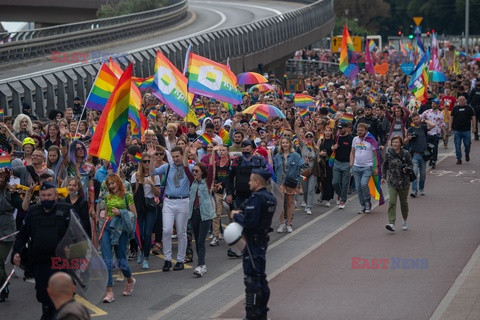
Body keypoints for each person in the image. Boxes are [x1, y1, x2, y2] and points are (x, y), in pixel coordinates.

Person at [12, 182, 74, 320]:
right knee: (45, 300)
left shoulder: (67, 211)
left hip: (61, 264)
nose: (46, 198)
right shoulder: (33, 212)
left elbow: (80, 235)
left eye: (49, 195)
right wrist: (16, 253)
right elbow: (22, 236)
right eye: (43, 195)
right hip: (40, 264)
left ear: (56, 196)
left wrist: (73, 251)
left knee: (61, 301)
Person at [230, 168, 276, 320]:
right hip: (261, 241)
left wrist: (236, 217)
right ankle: (262, 311)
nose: (249, 182)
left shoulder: (257, 198)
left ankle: (253, 314)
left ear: (257, 182)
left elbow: (250, 223)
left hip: (253, 243)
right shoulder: (270, 197)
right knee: (260, 278)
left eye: (251, 180)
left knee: (251, 279)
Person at [153, 146, 193, 272]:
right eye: (173, 156)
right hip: (169, 201)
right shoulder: (167, 167)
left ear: (182, 155)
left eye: (177, 156)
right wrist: (152, 157)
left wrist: (192, 155)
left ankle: (180, 260)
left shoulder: (189, 167)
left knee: (181, 231)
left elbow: (200, 173)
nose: (175, 159)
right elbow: (152, 172)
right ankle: (167, 259)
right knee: (166, 230)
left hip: (183, 201)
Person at [99, 173, 137, 303]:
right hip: (108, 227)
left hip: (121, 229)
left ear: (118, 183)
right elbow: (106, 213)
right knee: (107, 260)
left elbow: (134, 215)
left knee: (121, 259)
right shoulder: (107, 197)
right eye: (109, 184)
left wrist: (121, 212)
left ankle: (130, 279)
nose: (111, 186)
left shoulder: (127, 196)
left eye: (113, 183)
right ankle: (109, 292)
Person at [184, 144, 216, 277]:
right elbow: (186, 167)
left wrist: (213, 153)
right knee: (197, 240)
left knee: (202, 241)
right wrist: (186, 152)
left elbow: (210, 167)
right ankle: (201, 264)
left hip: (205, 215)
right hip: (194, 213)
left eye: (196, 171)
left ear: (202, 173)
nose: (194, 173)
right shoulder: (192, 181)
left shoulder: (206, 182)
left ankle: (200, 265)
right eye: (194, 171)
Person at [131, 152, 161, 269]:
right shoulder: (135, 175)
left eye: (149, 161)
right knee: (141, 233)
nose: (147, 163)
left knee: (148, 232)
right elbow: (132, 194)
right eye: (145, 161)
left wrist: (152, 185)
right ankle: (142, 251)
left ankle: (146, 257)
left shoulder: (155, 175)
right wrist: (139, 182)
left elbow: (158, 193)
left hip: (151, 206)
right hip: (139, 206)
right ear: (141, 163)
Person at [274, 137, 306, 233]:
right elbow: (275, 169)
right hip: (280, 182)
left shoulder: (295, 155)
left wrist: (306, 162)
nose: (284, 144)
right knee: (280, 203)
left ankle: (289, 224)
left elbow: (302, 164)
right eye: (283, 143)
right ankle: (282, 223)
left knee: (290, 203)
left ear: (290, 144)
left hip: (291, 182)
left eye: (286, 143)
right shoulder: (277, 156)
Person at [381, 136, 413, 232]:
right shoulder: (388, 153)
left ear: (401, 144)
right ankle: (392, 223)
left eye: (396, 142)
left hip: (404, 182)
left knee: (403, 202)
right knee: (392, 201)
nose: (394, 144)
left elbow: (411, 165)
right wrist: (384, 177)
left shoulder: (406, 153)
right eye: (393, 142)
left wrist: (406, 169)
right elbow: (385, 165)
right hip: (392, 181)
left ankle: (404, 220)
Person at [0, 167, 22, 302]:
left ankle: (3, 287)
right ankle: (4, 286)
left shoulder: (11, 191)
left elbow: (22, 207)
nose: (1, 178)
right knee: (0, 263)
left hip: (6, 230)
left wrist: (28, 195)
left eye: (3, 176)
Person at [404, 114, 435, 197]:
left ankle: (421, 188)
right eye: (414, 120)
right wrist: (409, 138)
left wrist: (424, 120)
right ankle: (414, 190)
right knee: (414, 172)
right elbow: (405, 142)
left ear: (419, 119)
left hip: (423, 155)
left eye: (417, 119)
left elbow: (433, 125)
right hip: (414, 155)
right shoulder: (410, 129)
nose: (415, 121)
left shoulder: (423, 127)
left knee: (423, 174)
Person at [350, 123, 376, 214]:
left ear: (366, 131)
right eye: (358, 130)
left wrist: (376, 167)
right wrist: (351, 163)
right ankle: (362, 205)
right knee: (358, 187)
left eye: (361, 130)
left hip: (367, 166)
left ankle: (368, 201)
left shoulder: (371, 140)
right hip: (356, 167)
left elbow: (375, 154)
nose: (359, 132)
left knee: (364, 184)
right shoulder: (355, 139)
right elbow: (352, 152)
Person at [331, 122, 353, 209]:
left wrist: (352, 162)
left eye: (341, 129)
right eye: (338, 129)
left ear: (346, 128)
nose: (339, 130)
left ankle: (342, 201)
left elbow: (353, 151)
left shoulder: (351, 138)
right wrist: (333, 147)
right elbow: (332, 147)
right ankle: (341, 195)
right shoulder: (337, 137)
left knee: (344, 184)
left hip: (347, 163)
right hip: (337, 162)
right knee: (335, 182)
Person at [449, 96, 477, 164]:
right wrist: (450, 127)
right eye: (460, 100)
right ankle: (459, 158)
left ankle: (467, 154)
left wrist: (474, 127)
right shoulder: (455, 108)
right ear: (458, 101)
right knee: (457, 145)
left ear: (465, 100)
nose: (462, 101)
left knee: (467, 144)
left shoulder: (469, 108)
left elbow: (473, 117)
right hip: (457, 130)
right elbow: (451, 117)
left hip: (466, 130)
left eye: (463, 100)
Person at [420, 99, 446, 169]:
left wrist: (444, 134)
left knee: (435, 147)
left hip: (436, 133)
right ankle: (431, 157)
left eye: (434, 104)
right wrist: (422, 120)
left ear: (438, 105)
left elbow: (442, 124)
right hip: (428, 133)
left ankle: (434, 160)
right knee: (428, 147)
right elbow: (420, 117)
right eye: (432, 103)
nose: (433, 105)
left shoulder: (440, 114)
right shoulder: (427, 112)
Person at [300, 131, 317, 215]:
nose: (309, 138)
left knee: (310, 190)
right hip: (303, 172)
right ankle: (306, 202)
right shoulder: (303, 145)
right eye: (307, 137)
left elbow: (318, 158)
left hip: (313, 171)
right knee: (305, 190)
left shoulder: (315, 147)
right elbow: (298, 137)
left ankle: (309, 206)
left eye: (311, 137)